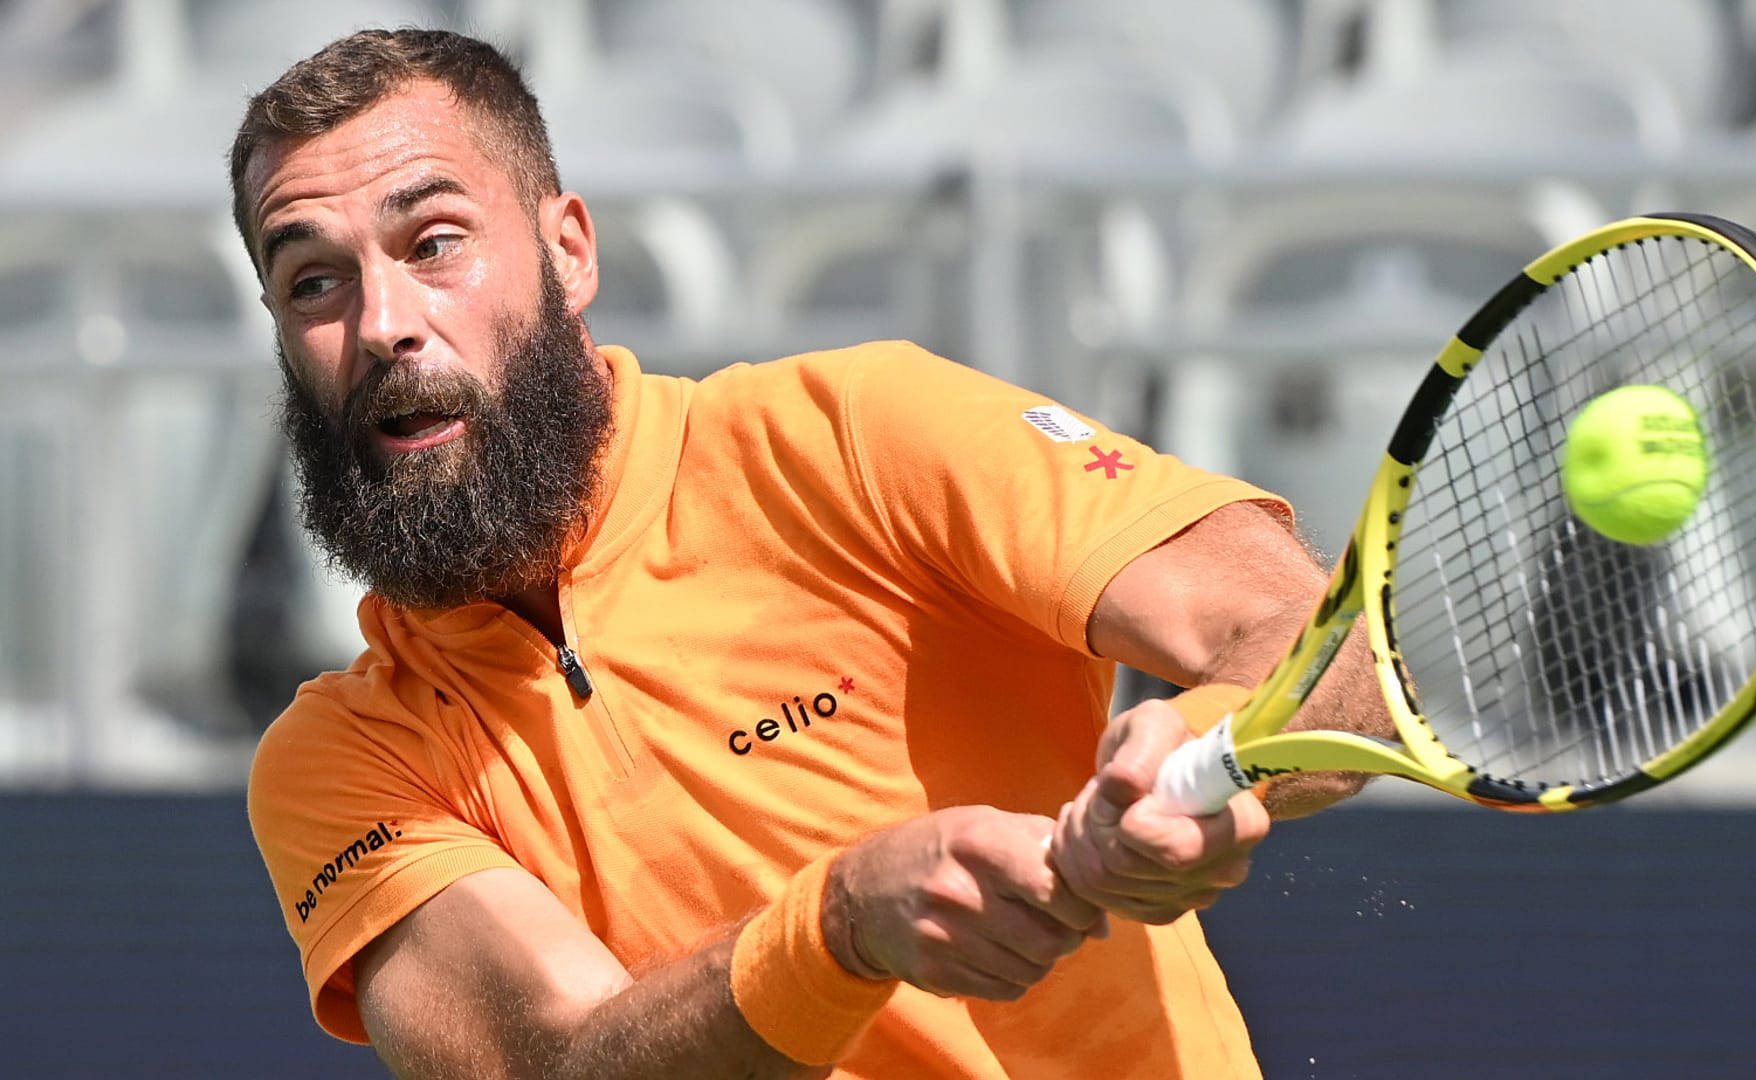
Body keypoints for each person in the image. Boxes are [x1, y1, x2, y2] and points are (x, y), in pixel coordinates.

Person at [238, 28, 1389, 1080]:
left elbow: (1313, 632)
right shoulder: (341, 764)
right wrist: (840, 927)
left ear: (568, 251)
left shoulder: (857, 431)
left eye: (433, 243)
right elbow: (555, 1065)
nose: (381, 322)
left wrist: (1200, 762)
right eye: (314, 282)